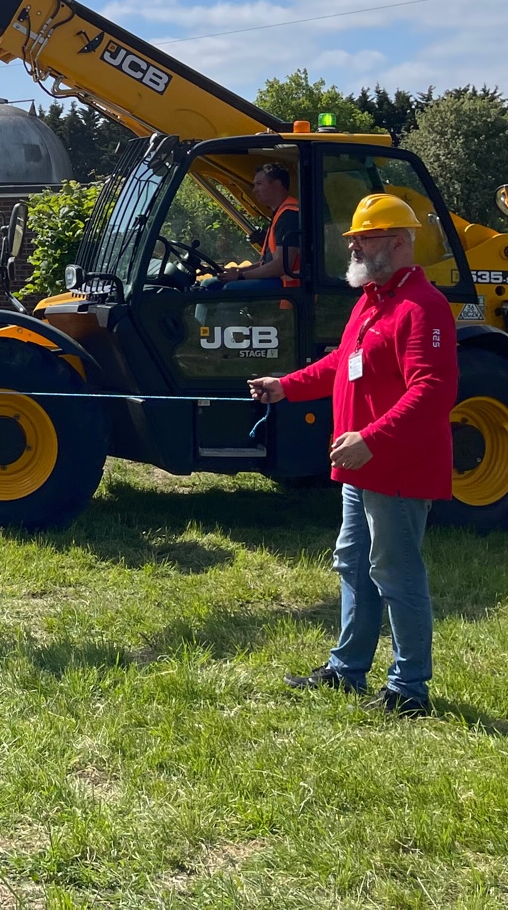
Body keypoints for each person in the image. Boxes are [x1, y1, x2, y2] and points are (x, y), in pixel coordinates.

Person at [247, 192, 456, 717]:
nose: (355, 247)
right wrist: (285, 386)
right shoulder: (373, 300)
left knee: (394, 572)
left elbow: (431, 391)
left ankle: (410, 689)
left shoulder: (422, 307)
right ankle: (347, 670)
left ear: (400, 242)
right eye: (354, 240)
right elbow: (343, 362)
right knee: (354, 566)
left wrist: (372, 439)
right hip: (362, 466)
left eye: (365, 238)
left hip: (396, 467)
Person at [201, 162, 301, 294]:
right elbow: (265, 264)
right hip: (278, 281)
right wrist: (238, 270)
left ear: (277, 184)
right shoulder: (280, 213)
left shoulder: (290, 216)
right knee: (208, 284)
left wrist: (240, 276)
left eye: (259, 184)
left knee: (230, 290)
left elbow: (282, 266)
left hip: (290, 288)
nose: (254, 190)